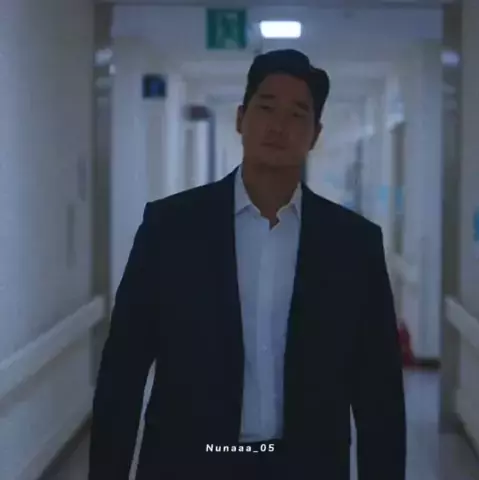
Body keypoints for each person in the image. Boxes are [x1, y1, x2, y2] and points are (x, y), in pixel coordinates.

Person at [88, 49, 406, 480]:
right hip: (188, 464)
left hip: (305, 467)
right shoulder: (171, 227)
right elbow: (123, 369)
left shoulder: (353, 244)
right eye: (266, 107)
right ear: (241, 118)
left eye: (297, 114)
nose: (278, 125)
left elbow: (379, 394)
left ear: (315, 134)